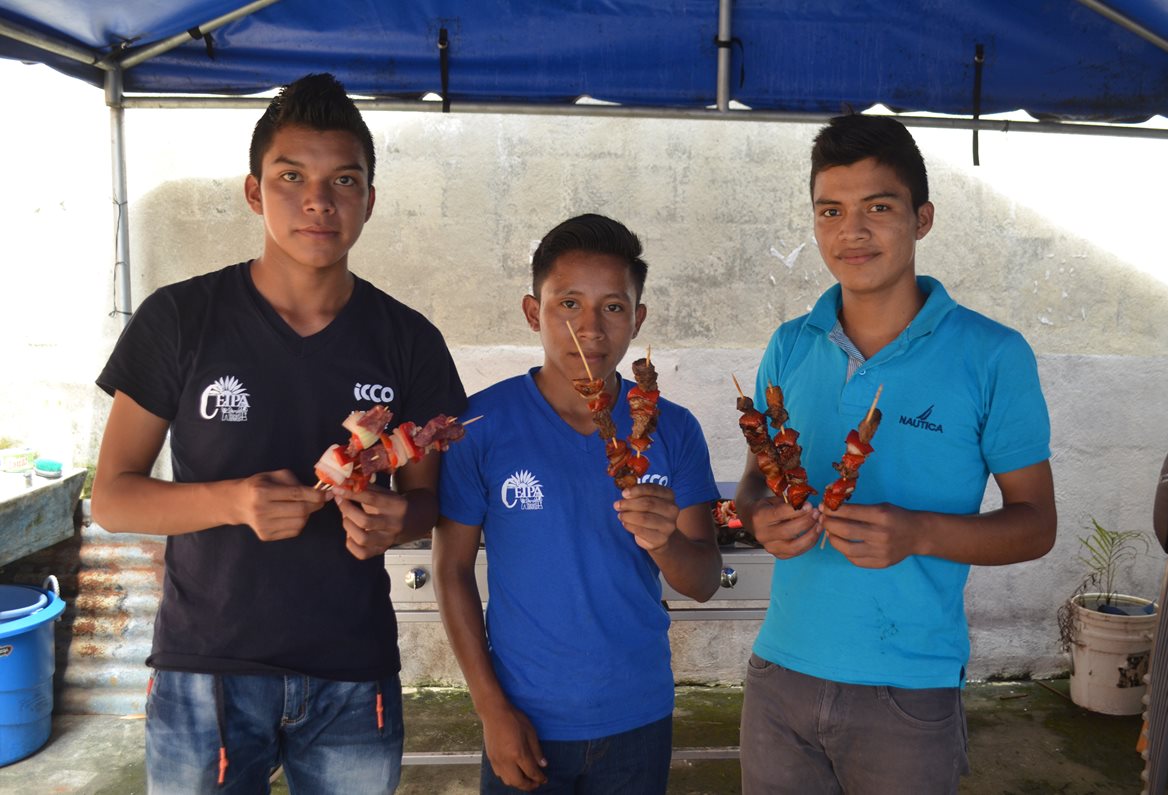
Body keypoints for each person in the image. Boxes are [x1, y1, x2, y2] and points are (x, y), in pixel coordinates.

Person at [90, 73, 466, 794]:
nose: (318, 200)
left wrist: (396, 519)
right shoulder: (179, 319)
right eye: (291, 175)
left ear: (369, 201)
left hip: (353, 674)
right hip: (206, 675)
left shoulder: (410, 341)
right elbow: (114, 496)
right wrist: (236, 500)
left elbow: (427, 503)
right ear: (255, 192)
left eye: (343, 180)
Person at [735, 114, 1056, 794]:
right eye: (831, 210)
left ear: (922, 218)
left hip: (908, 688)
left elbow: (1035, 522)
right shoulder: (789, 345)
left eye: (878, 207)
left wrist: (917, 532)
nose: (852, 231)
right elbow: (752, 488)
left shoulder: (993, 355)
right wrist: (761, 519)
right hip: (780, 675)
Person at [434, 214, 723, 793]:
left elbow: (704, 580)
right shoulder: (480, 426)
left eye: (613, 308)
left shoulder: (673, 428)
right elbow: (451, 571)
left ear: (637, 319)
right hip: (524, 717)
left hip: (638, 714)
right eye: (568, 304)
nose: (590, 329)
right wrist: (491, 711)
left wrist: (665, 541)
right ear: (530, 311)